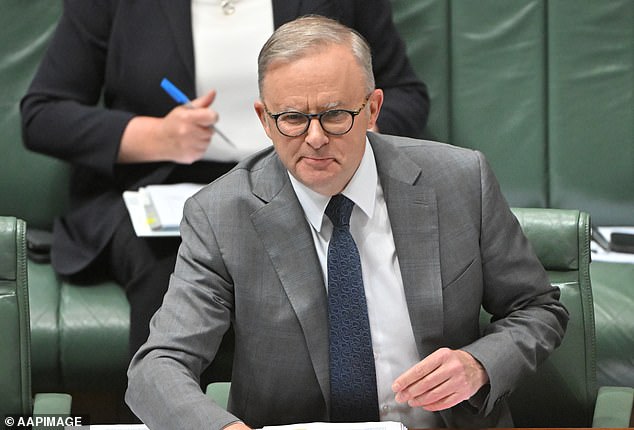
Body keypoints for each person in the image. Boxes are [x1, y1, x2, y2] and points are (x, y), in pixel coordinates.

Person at [125, 15, 569, 430]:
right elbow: (157, 367)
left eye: (336, 115)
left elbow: (538, 309)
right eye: (293, 119)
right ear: (264, 120)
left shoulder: (459, 180)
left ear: (373, 109)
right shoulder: (220, 214)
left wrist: (479, 365)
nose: (315, 139)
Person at [20, 0, 429, 358]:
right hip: (161, 189)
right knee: (175, 267)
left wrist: (338, 132)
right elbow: (43, 115)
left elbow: (405, 95)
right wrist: (156, 136)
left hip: (309, 180)